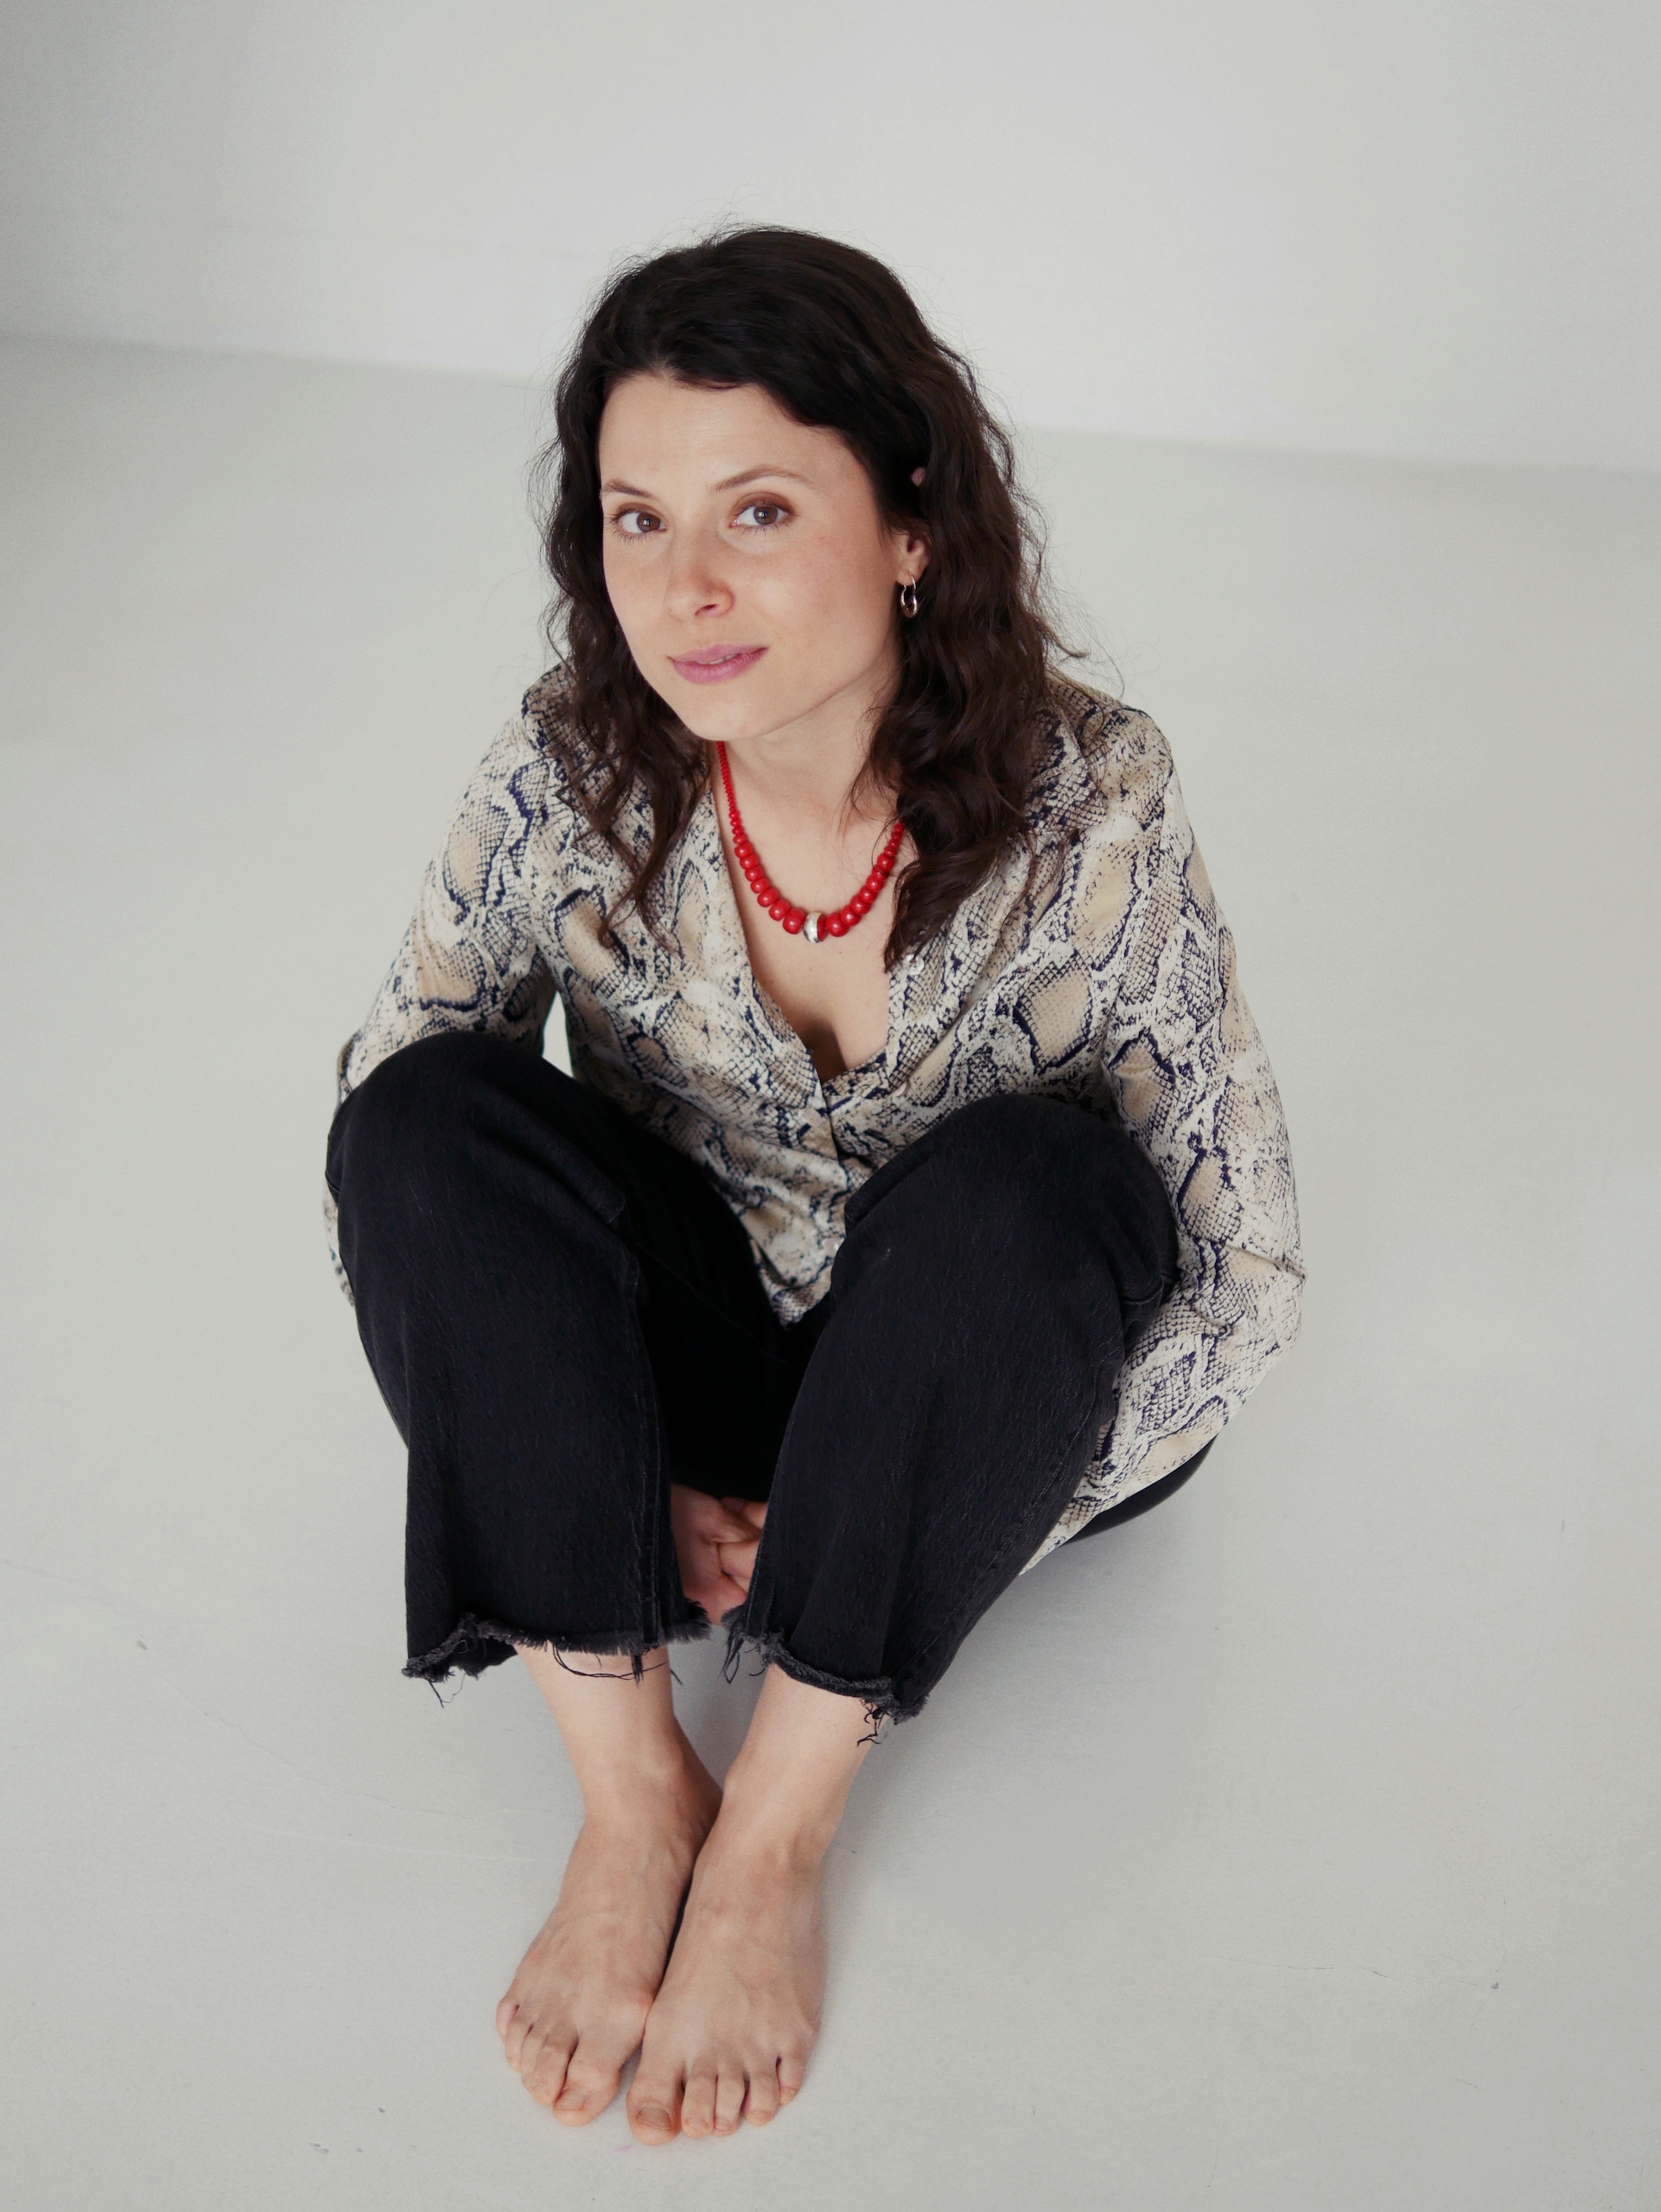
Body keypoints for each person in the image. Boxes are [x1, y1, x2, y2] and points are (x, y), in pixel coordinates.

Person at [323, 226, 1302, 2147]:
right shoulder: (568, 766)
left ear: (911, 521)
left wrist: (877, 1522)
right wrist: (618, 1477)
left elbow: (1239, 1279)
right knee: (425, 1119)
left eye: (758, 511)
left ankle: (772, 1823)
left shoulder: (1091, 799)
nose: (683, 587)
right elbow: (400, 1153)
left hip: (982, 1368)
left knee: (1037, 1182)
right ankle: (634, 1797)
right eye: (637, 519)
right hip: (698, 1343)